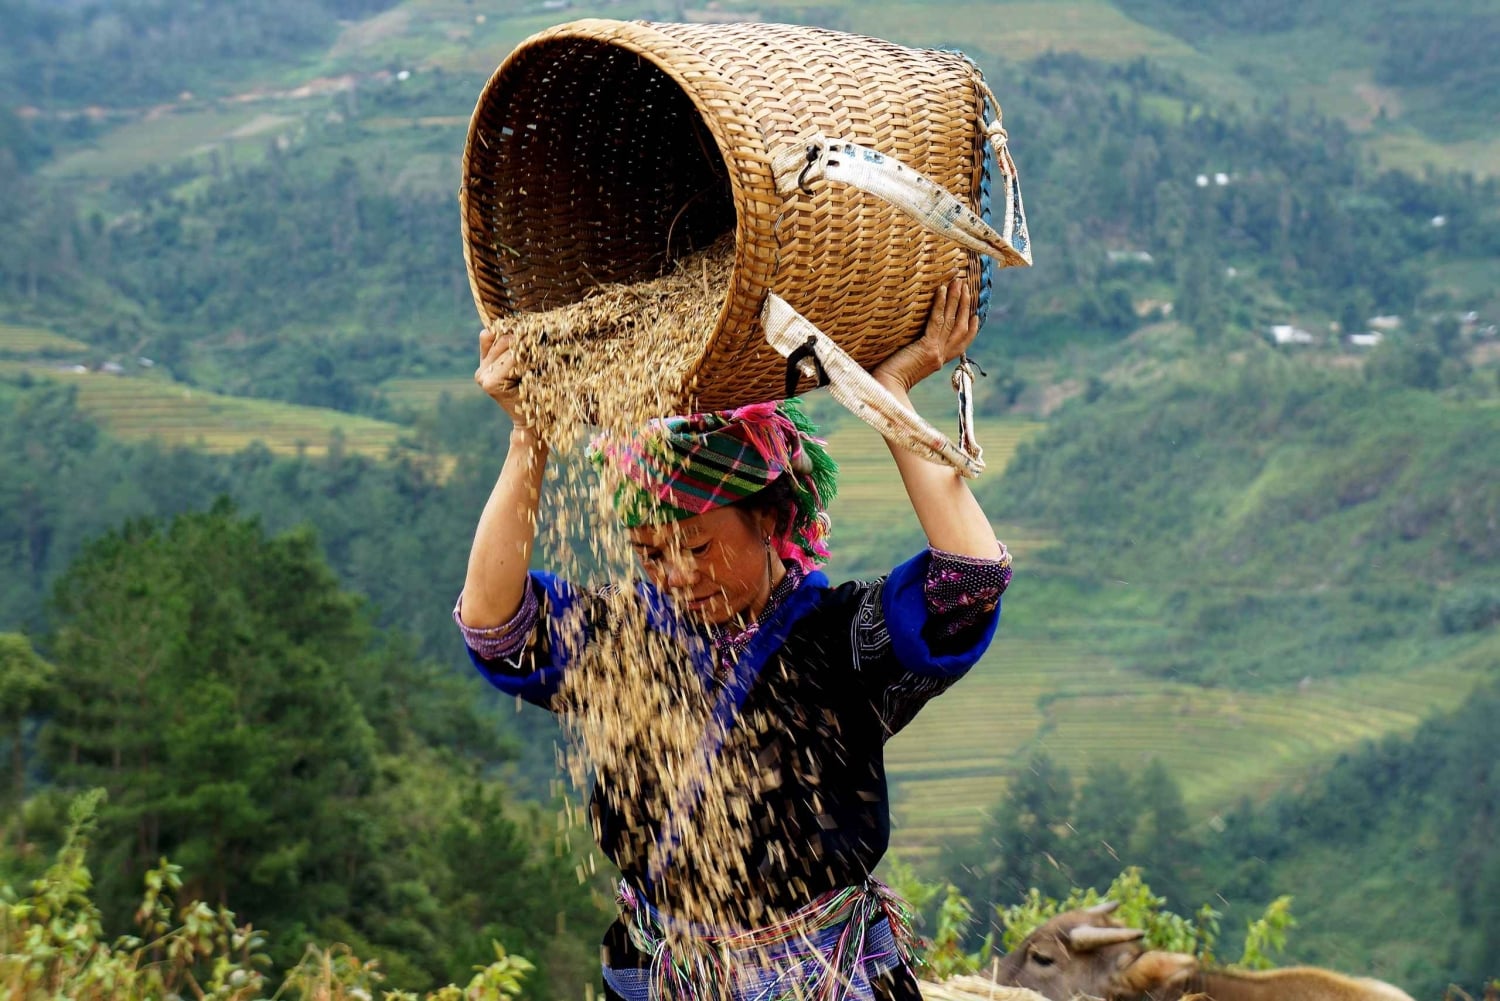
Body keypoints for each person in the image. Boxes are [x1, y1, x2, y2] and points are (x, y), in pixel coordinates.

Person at [455, 277, 1011, 1001]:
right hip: (662, 973)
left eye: (697, 547)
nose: (675, 575)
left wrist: (888, 396)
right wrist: (529, 433)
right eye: (649, 555)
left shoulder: (841, 636)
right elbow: (496, 626)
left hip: (823, 977)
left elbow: (971, 578)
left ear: (772, 521)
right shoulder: (625, 637)